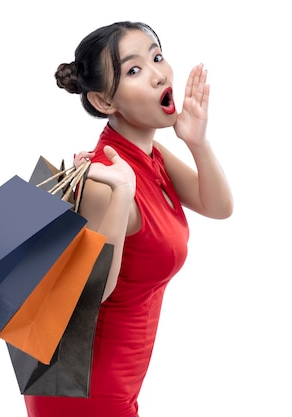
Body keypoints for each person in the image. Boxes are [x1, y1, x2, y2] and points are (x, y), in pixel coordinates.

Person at [24, 21, 233, 417]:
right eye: (134, 70)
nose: (158, 75)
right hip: (84, 391)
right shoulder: (107, 176)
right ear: (105, 102)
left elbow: (218, 207)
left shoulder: (149, 155)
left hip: (116, 384)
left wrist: (197, 143)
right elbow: (90, 295)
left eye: (157, 57)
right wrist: (121, 194)